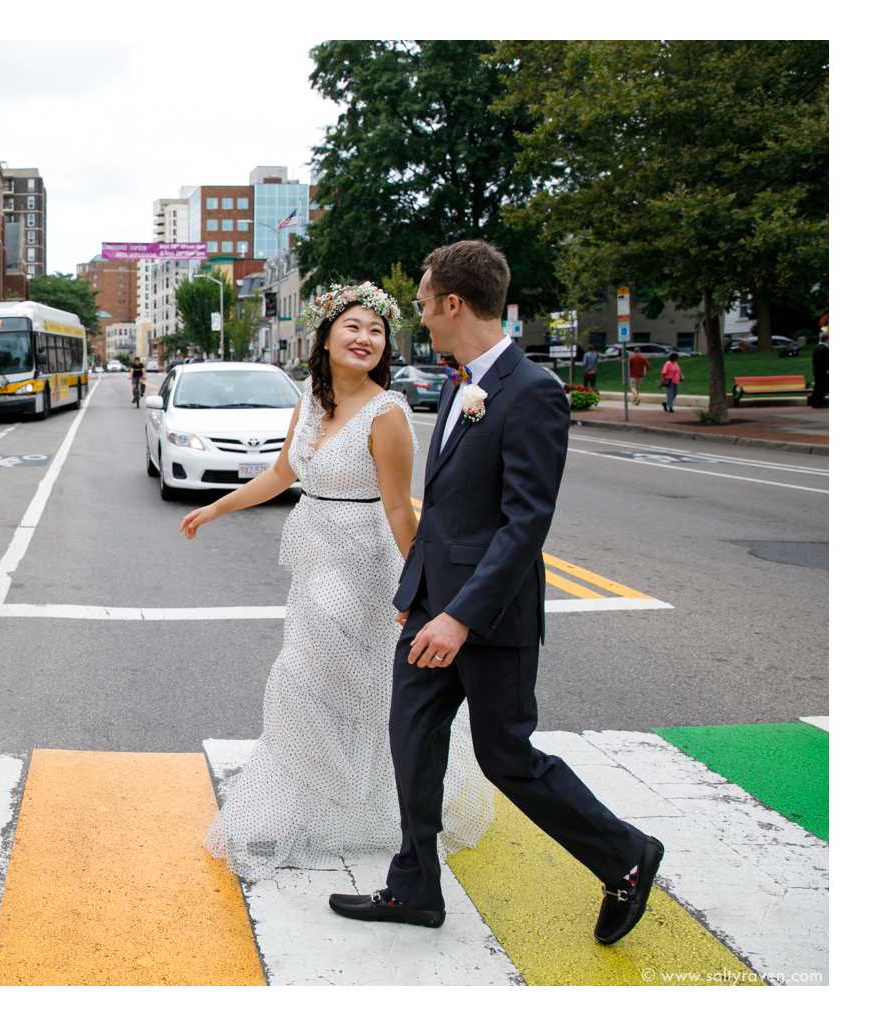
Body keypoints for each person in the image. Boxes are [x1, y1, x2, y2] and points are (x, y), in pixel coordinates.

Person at [329, 240, 661, 946]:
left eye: (422, 301)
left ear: (453, 303)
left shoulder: (534, 390)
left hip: (490, 618)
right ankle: (415, 887)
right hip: (430, 608)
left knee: (507, 757)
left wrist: (458, 618)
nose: (418, 313)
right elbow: (445, 508)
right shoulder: (457, 384)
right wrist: (416, 591)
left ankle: (626, 858)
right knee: (412, 740)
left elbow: (524, 524)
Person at [180, 281, 492, 882]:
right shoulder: (311, 403)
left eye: (375, 331)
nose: (365, 338)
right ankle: (318, 809)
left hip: (362, 562)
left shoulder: (388, 411)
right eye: (352, 327)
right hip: (315, 557)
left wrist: (419, 590)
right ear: (324, 338)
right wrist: (217, 509)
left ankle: (354, 808)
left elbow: (401, 510)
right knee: (319, 686)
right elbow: (281, 473)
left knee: (324, 684)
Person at [809, 337, 828, 408]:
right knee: (820, 388)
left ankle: (816, 403)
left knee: (818, 387)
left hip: (818, 371)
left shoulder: (818, 348)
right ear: (827, 340)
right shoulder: (824, 349)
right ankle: (817, 403)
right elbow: (825, 361)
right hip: (823, 372)